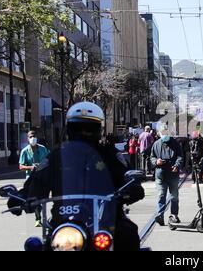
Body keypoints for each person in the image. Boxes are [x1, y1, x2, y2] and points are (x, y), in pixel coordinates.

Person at [9, 102, 145, 251]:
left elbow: (126, 176)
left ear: (99, 129)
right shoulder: (56, 156)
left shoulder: (109, 154)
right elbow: (38, 179)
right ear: (69, 129)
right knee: (37, 246)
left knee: (128, 234)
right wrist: (22, 195)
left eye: (89, 129)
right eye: (78, 128)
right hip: (62, 220)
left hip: (104, 219)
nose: (83, 133)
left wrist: (131, 188)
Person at [151, 123, 183, 226]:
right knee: (161, 195)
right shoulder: (156, 144)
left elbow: (180, 156)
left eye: (166, 132)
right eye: (162, 132)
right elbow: (152, 157)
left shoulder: (175, 143)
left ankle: (174, 215)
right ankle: (160, 215)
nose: (164, 134)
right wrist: (156, 161)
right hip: (161, 174)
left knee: (174, 196)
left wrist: (177, 165)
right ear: (159, 133)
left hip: (173, 174)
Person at [19, 130, 50, 227]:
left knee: (43, 199)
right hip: (31, 179)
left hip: (43, 177)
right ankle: (38, 218)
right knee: (35, 199)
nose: (33, 138)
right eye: (31, 137)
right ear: (28, 138)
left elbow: (49, 159)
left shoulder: (43, 149)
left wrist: (43, 166)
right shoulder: (25, 151)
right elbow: (21, 166)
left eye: (34, 136)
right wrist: (31, 167)